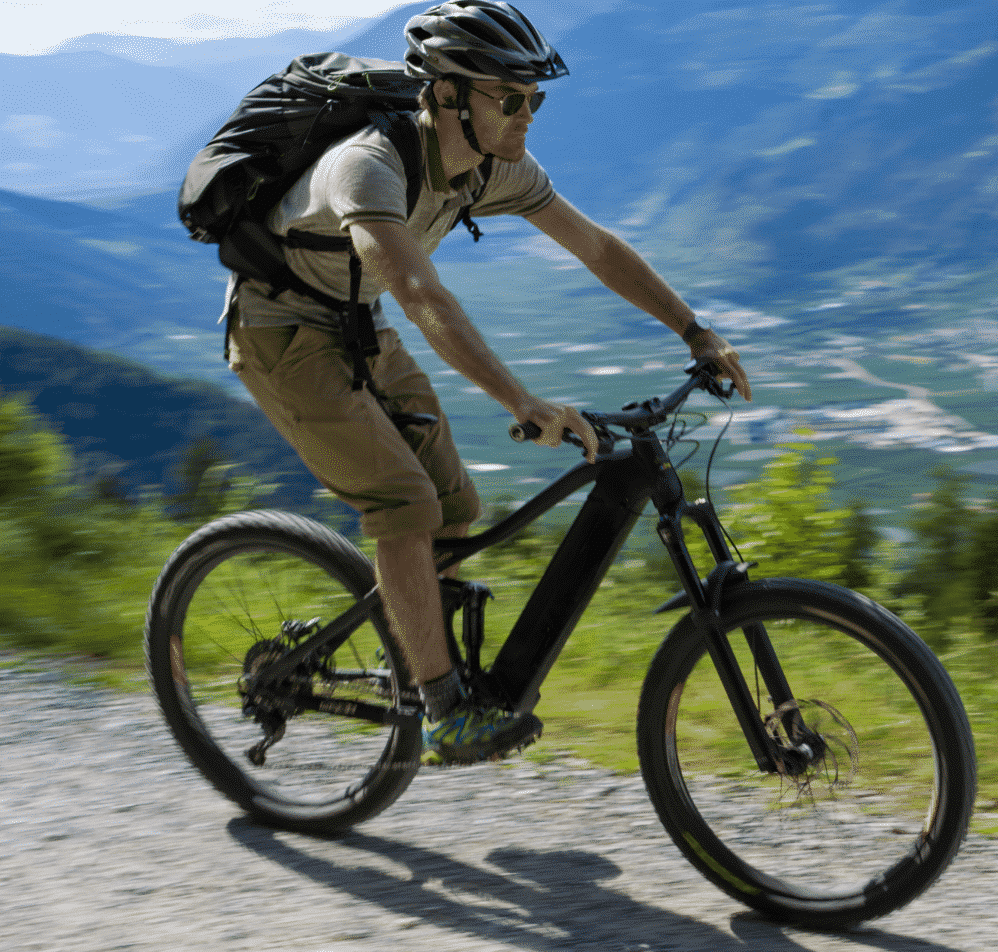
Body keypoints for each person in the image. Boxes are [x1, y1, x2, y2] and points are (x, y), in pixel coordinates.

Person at [222, 0, 750, 764]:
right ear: (446, 94)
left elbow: (596, 247)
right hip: (279, 331)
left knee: (455, 508)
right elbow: (419, 294)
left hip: (356, 323)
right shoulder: (368, 165)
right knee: (404, 502)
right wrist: (521, 401)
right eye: (510, 98)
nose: (527, 114)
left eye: (535, 98)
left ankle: (419, 662)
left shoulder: (493, 166)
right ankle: (443, 709)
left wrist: (692, 329)